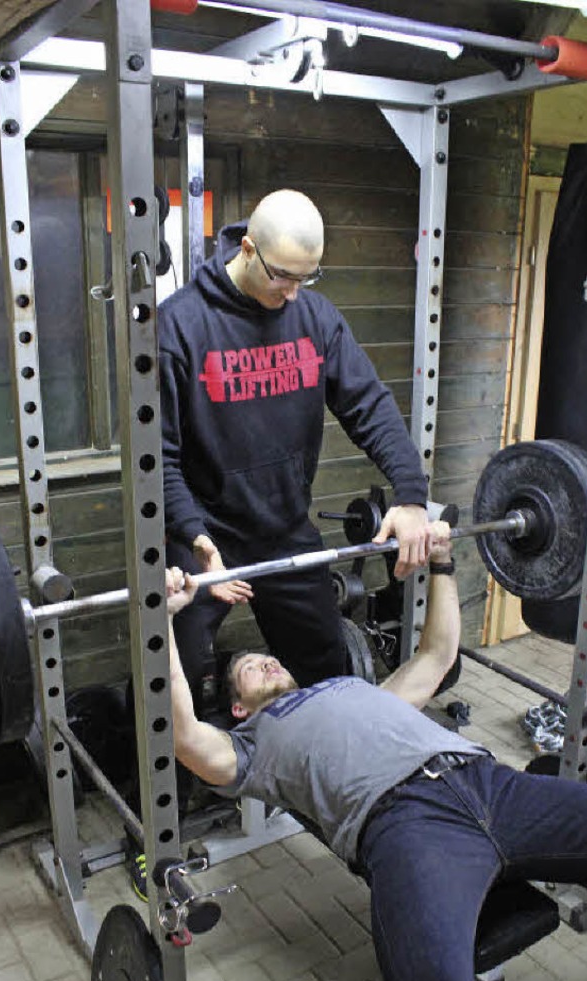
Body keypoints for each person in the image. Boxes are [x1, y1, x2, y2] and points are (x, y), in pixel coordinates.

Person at [162, 532, 587, 981]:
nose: (265, 661)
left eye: (265, 655)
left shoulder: (353, 688)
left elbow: (437, 656)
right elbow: (184, 736)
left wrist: (441, 562)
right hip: (408, 826)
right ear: (239, 708)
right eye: (248, 666)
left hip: (490, 782)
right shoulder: (253, 745)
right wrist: (164, 624)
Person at [158, 188, 430, 716]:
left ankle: (316, 784)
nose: (292, 293)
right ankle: (184, 793)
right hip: (205, 538)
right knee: (176, 684)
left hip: (284, 531)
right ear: (247, 249)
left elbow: (368, 406)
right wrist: (195, 537)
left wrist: (412, 495)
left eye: (306, 279)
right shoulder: (179, 326)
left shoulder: (316, 318)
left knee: (328, 672)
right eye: (282, 276)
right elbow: (159, 459)